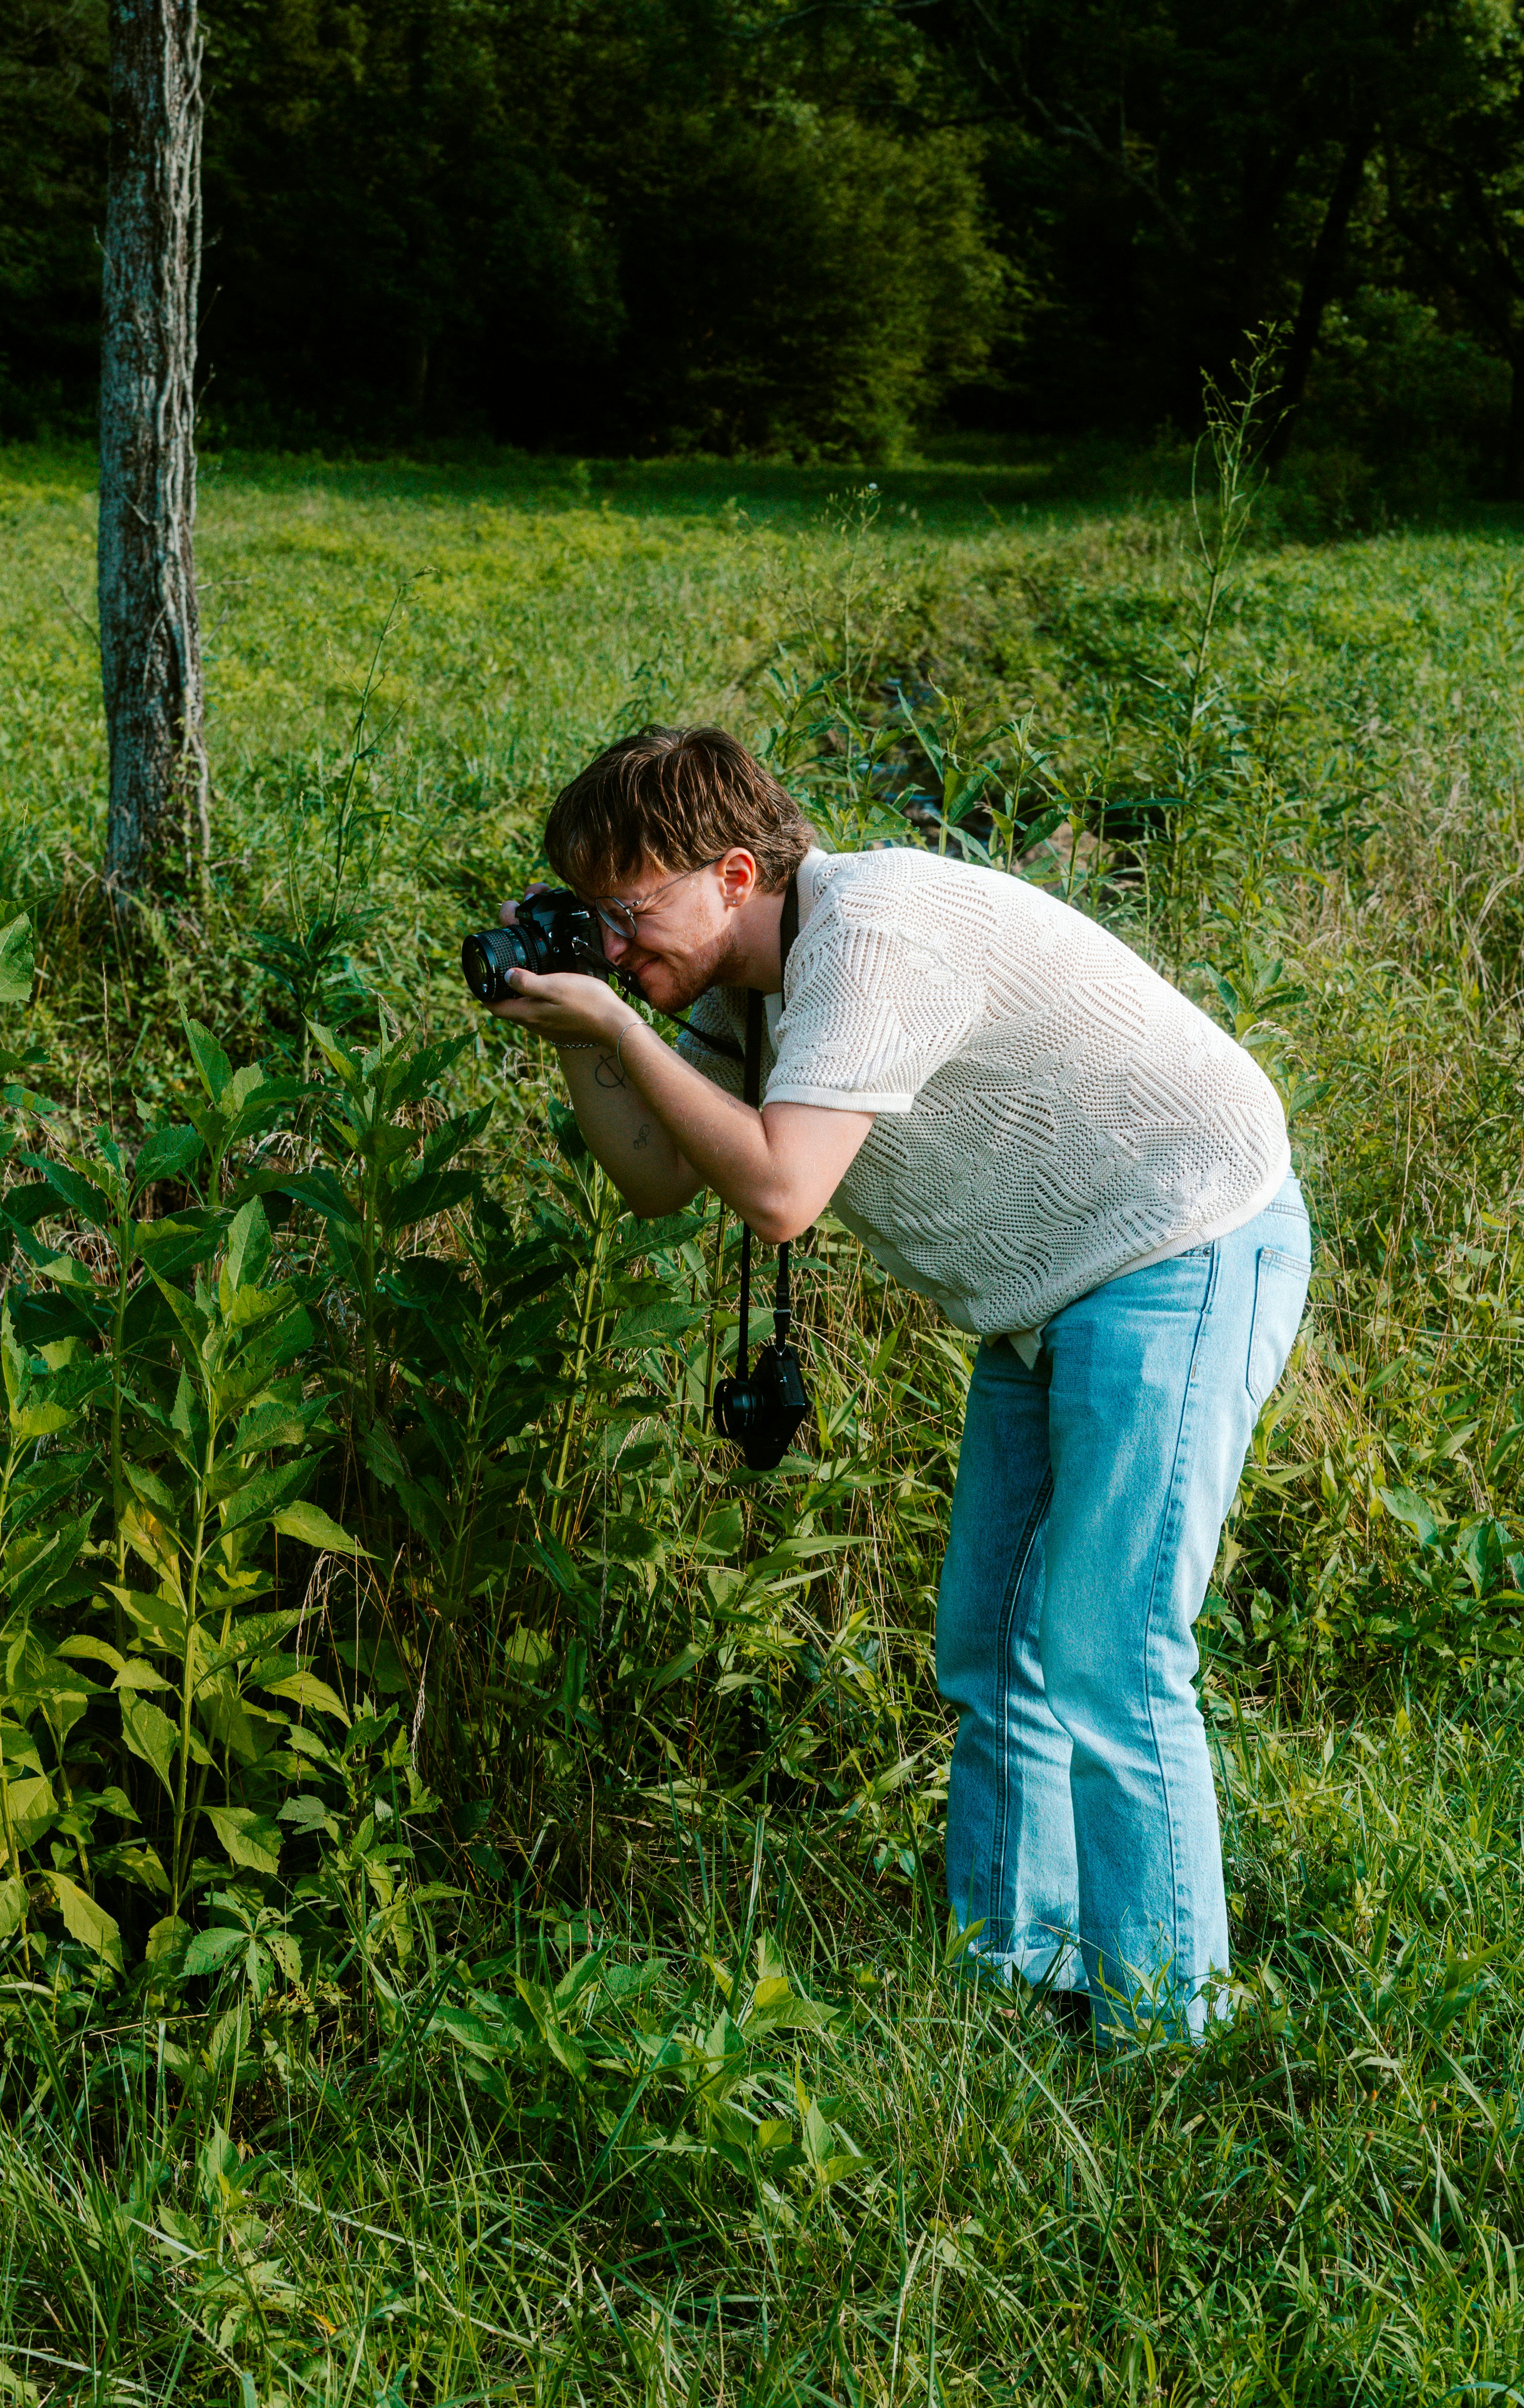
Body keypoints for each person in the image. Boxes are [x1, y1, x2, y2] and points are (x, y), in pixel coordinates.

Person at [486, 724, 1309, 2043]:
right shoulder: (736, 991)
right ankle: (1013, 1975)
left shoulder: (872, 935)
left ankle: (1167, 2031)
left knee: (1109, 1649)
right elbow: (651, 1176)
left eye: (630, 915)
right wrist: (585, 1029)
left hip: (1184, 1239)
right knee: (991, 1647)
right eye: (594, 922)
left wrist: (609, 1017)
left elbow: (776, 1189)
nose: (617, 946)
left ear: (737, 876)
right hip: (1052, 1292)